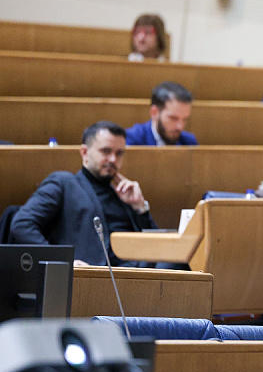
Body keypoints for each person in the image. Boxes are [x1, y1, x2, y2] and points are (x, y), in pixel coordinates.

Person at [10, 121, 155, 266]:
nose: (113, 159)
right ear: (84, 152)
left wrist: (140, 207)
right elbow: (22, 224)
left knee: (172, 260)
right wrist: (63, 262)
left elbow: (157, 246)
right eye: (106, 151)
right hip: (93, 274)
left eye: (119, 153)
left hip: (136, 271)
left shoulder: (124, 193)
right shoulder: (64, 183)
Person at [126, 81, 198, 146]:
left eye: (184, 120)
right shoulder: (133, 139)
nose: (180, 127)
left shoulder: (188, 142)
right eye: (173, 118)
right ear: (154, 113)